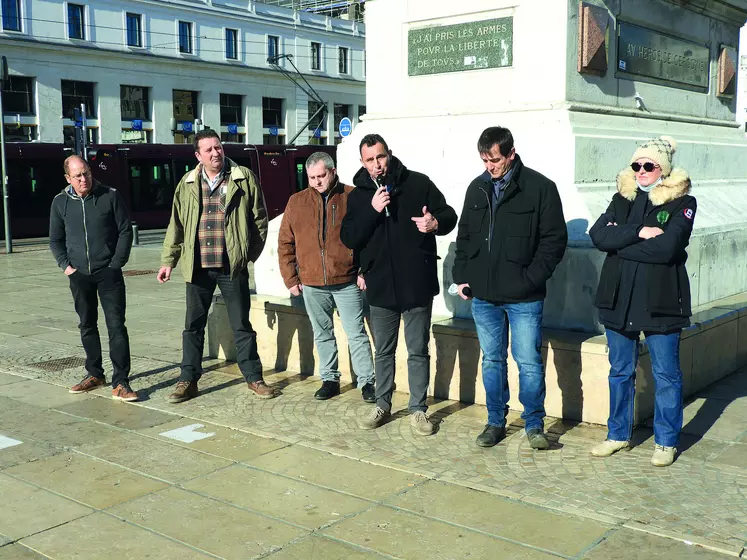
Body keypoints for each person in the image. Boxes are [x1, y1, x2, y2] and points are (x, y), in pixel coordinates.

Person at [452, 126, 567, 449]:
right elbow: (465, 237)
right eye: (484, 159)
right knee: (492, 360)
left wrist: (530, 279)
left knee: (528, 361)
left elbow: (554, 241)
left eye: (495, 159)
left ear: (511, 154)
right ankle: (494, 422)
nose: (490, 166)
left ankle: (534, 425)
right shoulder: (477, 188)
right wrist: (462, 276)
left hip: (524, 297)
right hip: (484, 296)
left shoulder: (541, 188)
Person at [589, 136, 695, 468]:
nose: (642, 171)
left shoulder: (682, 202)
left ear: (662, 169)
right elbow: (597, 235)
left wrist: (619, 240)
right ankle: (618, 434)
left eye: (649, 165)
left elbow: (668, 248)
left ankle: (666, 442)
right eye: (637, 165)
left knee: (666, 375)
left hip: (660, 302)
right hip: (619, 300)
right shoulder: (622, 199)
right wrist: (637, 233)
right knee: (620, 371)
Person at [341, 134, 457, 435]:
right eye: (370, 160)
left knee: (418, 349)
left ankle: (419, 410)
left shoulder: (418, 183)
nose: (377, 165)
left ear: (389, 154)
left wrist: (435, 223)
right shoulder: (357, 196)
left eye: (380, 157)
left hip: (416, 282)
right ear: (362, 162)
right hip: (380, 285)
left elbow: (448, 214)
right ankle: (383, 403)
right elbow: (349, 237)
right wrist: (372, 209)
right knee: (384, 351)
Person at [157, 129, 271, 403]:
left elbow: (260, 221)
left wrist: (246, 255)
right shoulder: (187, 184)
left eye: (218, 147)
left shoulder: (243, 178)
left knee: (241, 325)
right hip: (197, 267)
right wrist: (168, 260)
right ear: (198, 155)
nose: (215, 153)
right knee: (193, 326)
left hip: (231, 266)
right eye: (208, 150)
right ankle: (188, 380)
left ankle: (254, 377)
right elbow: (177, 225)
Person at [277, 152, 376, 402]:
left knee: (356, 333)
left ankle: (367, 382)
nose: (317, 181)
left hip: (346, 279)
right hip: (311, 282)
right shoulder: (296, 202)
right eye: (312, 177)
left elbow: (369, 235)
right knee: (322, 333)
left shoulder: (352, 196)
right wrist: (291, 278)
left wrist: (363, 270)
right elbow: (285, 243)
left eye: (321, 176)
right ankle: (330, 379)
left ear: (332, 172)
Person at [49, 155, 137, 401]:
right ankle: (94, 374)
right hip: (79, 275)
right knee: (87, 324)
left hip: (108, 273)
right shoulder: (60, 202)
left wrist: (115, 264)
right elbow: (55, 240)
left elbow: (124, 230)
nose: (83, 178)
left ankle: (121, 382)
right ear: (68, 178)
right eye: (77, 175)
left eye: (86, 172)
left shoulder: (110, 195)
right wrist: (67, 268)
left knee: (116, 326)